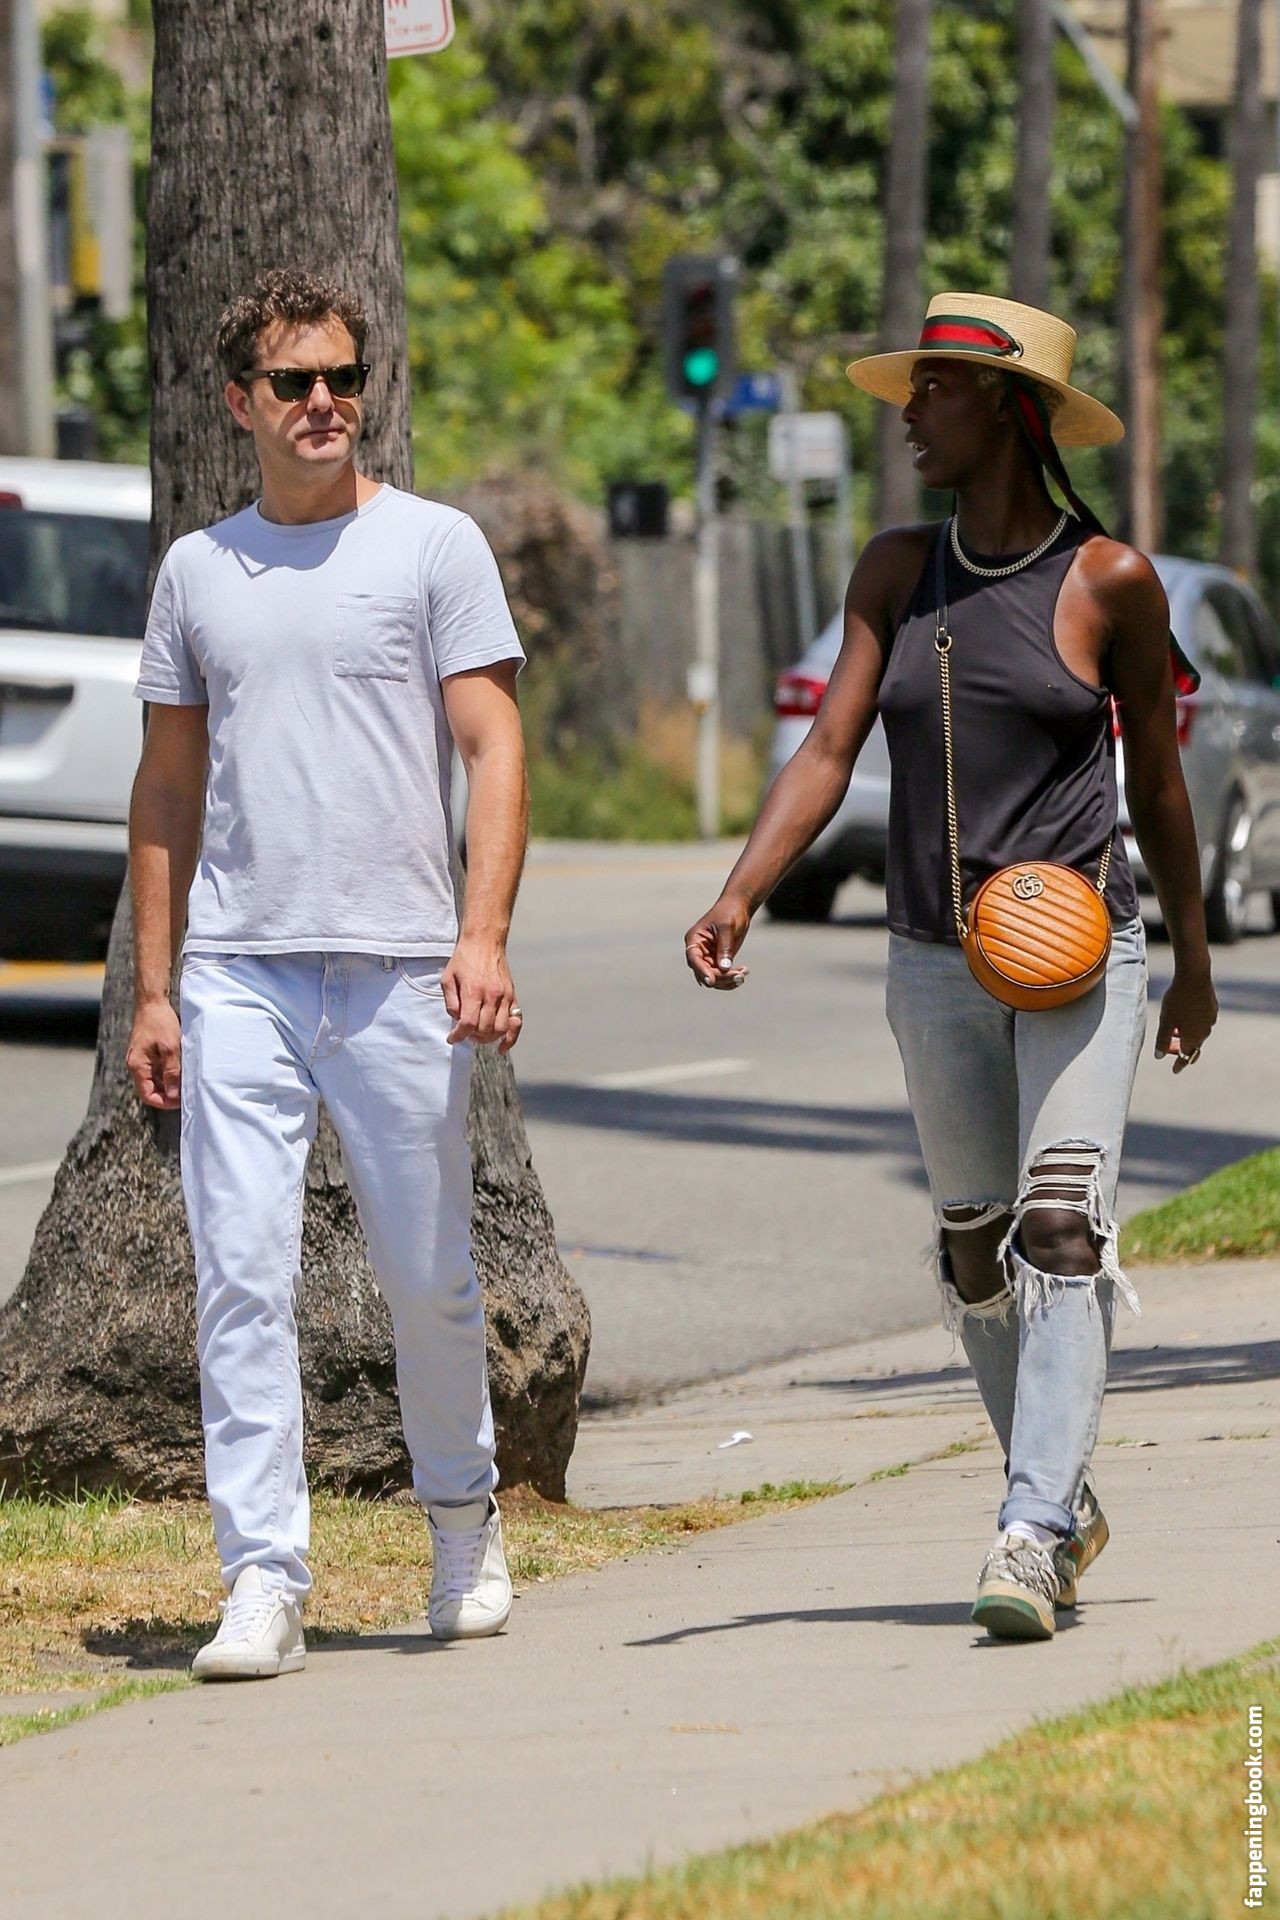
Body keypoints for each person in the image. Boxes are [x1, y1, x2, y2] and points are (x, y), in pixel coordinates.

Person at [684, 293, 1218, 1641]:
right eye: (912, 388)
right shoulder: (893, 571)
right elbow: (827, 751)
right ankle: (1062, 1494)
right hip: (934, 955)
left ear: (1013, 411)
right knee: (976, 1245)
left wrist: (1193, 963)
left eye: (937, 391)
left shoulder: (1110, 581)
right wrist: (742, 891)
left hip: (1084, 953)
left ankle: (1030, 1531)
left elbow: (1159, 785)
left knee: (1060, 1226)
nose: (910, 413)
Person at [127, 267, 528, 1679]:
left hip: (403, 968)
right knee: (241, 1273)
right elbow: (166, 787)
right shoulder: (198, 571)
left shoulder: (434, 547)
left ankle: (464, 1528)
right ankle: (262, 1578)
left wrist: (481, 937)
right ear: (239, 402)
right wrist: (158, 988)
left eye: (343, 378)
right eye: (293, 381)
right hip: (239, 969)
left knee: (427, 1276)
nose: (323, 402)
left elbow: (492, 748)